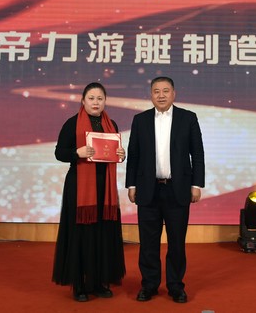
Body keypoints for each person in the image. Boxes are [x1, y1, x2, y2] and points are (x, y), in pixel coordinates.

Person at [126, 76, 205, 304]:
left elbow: (197, 154)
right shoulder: (140, 120)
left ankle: (176, 286)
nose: (161, 95)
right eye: (156, 91)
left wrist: (196, 185)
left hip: (177, 190)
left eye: (165, 91)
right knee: (148, 243)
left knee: (176, 242)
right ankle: (149, 285)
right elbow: (134, 155)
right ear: (151, 95)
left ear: (174, 93)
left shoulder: (188, 118)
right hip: (147, 190)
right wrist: (131, 185)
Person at [52, 82, 126, 302]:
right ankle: (80, 285)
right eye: (91, 98)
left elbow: (113, 153)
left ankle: (99, 282)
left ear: (105, 101)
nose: (96, 102)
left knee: (103, 234)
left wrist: (121, 154)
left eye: (100, 98)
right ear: (83, 101)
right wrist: (78, 152)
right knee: (81, 234)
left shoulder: (111, 124)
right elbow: (59, 153)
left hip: (105, 187)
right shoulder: (72, 123)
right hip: (80, 187)